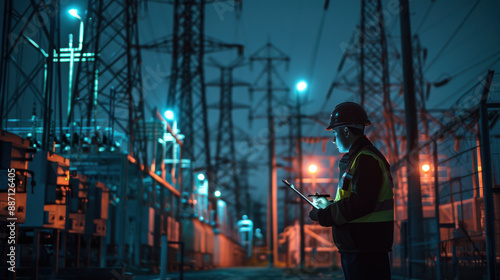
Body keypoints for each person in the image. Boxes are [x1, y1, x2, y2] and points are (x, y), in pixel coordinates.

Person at [308, 102, 394, 280]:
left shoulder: (366, 160)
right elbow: (353, 200)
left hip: (366, 246)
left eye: (334, 132)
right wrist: (329, 205)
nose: (333, 139)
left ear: (346, 131)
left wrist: (326, 215)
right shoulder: (357, 160)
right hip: (360, 244)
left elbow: (361, 203)